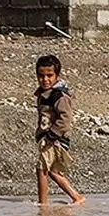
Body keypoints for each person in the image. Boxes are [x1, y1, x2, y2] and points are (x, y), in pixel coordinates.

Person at [34, 54, 85, 206]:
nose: (45, 79)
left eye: (50, 75)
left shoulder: (59, 96)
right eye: (41, 76)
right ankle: (76, 197)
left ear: (57, 76)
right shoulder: (43, 95)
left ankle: (42, 204)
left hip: (55, 139)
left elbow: (66, 119)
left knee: (41, 169)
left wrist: (51, 136)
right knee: (52, 171)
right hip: (48, 138)